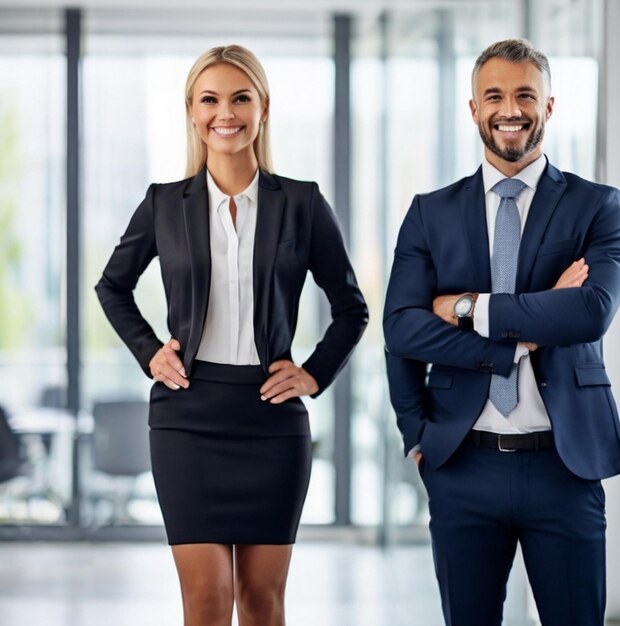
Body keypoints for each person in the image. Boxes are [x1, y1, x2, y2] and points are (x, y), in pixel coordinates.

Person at [96, 44, 368, 626]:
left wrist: (314, 372)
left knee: (263, 604)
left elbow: (352, 307)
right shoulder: (163, 204)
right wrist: (151, 353)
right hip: (186, 417)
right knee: (206, 602)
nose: (227, 112)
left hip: (272, 419)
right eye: (210, 99)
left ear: (263, 108)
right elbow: (111, 287)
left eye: (240, 97)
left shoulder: (302, 203)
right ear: (193, 113)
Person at [383, 38, 620, 626]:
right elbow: (402, 330)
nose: (509, 109)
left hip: (564, 467)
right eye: (494, 95)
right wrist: (418, 434)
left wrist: (468, 308)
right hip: (462, 464)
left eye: (525, 95)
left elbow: (590, 312)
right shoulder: (430, 212)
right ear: (473, 108)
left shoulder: (598, 206)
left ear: (549, 105)